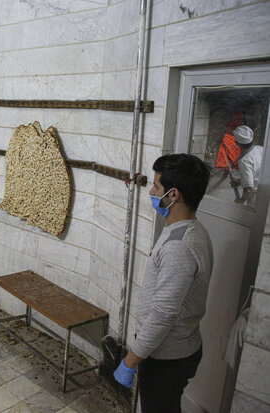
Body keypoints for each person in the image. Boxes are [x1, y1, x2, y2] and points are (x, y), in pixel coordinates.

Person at [114, 154, 213, 413]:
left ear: (173, 195)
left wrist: (130, 360)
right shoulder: (188, 229)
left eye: (157, 186)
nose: (152, 191)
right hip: (172, 350)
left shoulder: (180, 246)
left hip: (167, 357)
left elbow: (163, 314)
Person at [233, 125, 263, 206]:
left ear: (237, 144)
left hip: (256, 197)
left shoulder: (244, 161)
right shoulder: (259, 149)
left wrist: (241, 201)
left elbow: (249, 189)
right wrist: (243, 180)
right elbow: (257, 172)